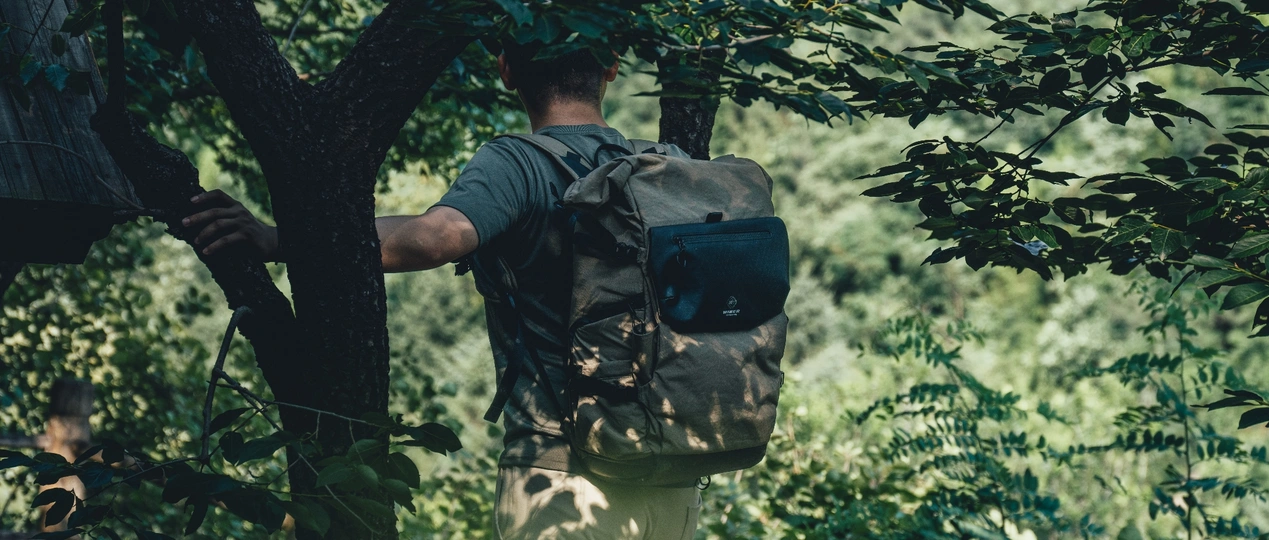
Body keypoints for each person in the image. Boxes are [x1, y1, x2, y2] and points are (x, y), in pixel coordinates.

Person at [182, 42, 703, 540]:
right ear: (612, 66)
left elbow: (434, 239)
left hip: (564, 477)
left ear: (506, 71)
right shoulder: (669, 164)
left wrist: (275, 240)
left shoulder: (520, 163)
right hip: (670, 472)